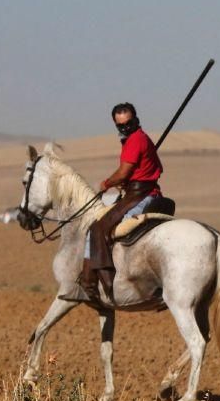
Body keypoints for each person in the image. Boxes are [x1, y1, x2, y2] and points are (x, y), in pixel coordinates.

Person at [70, 103, 164, 304]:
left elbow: (124, 172)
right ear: (116, 124)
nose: (125, 127)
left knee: (97, 228)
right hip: (138, 192)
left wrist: (107, 183)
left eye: (128, 123)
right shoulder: (139, 138)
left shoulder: (135, 140)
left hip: (141, 196)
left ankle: (91, 283)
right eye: (121, 125)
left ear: (135, 119)